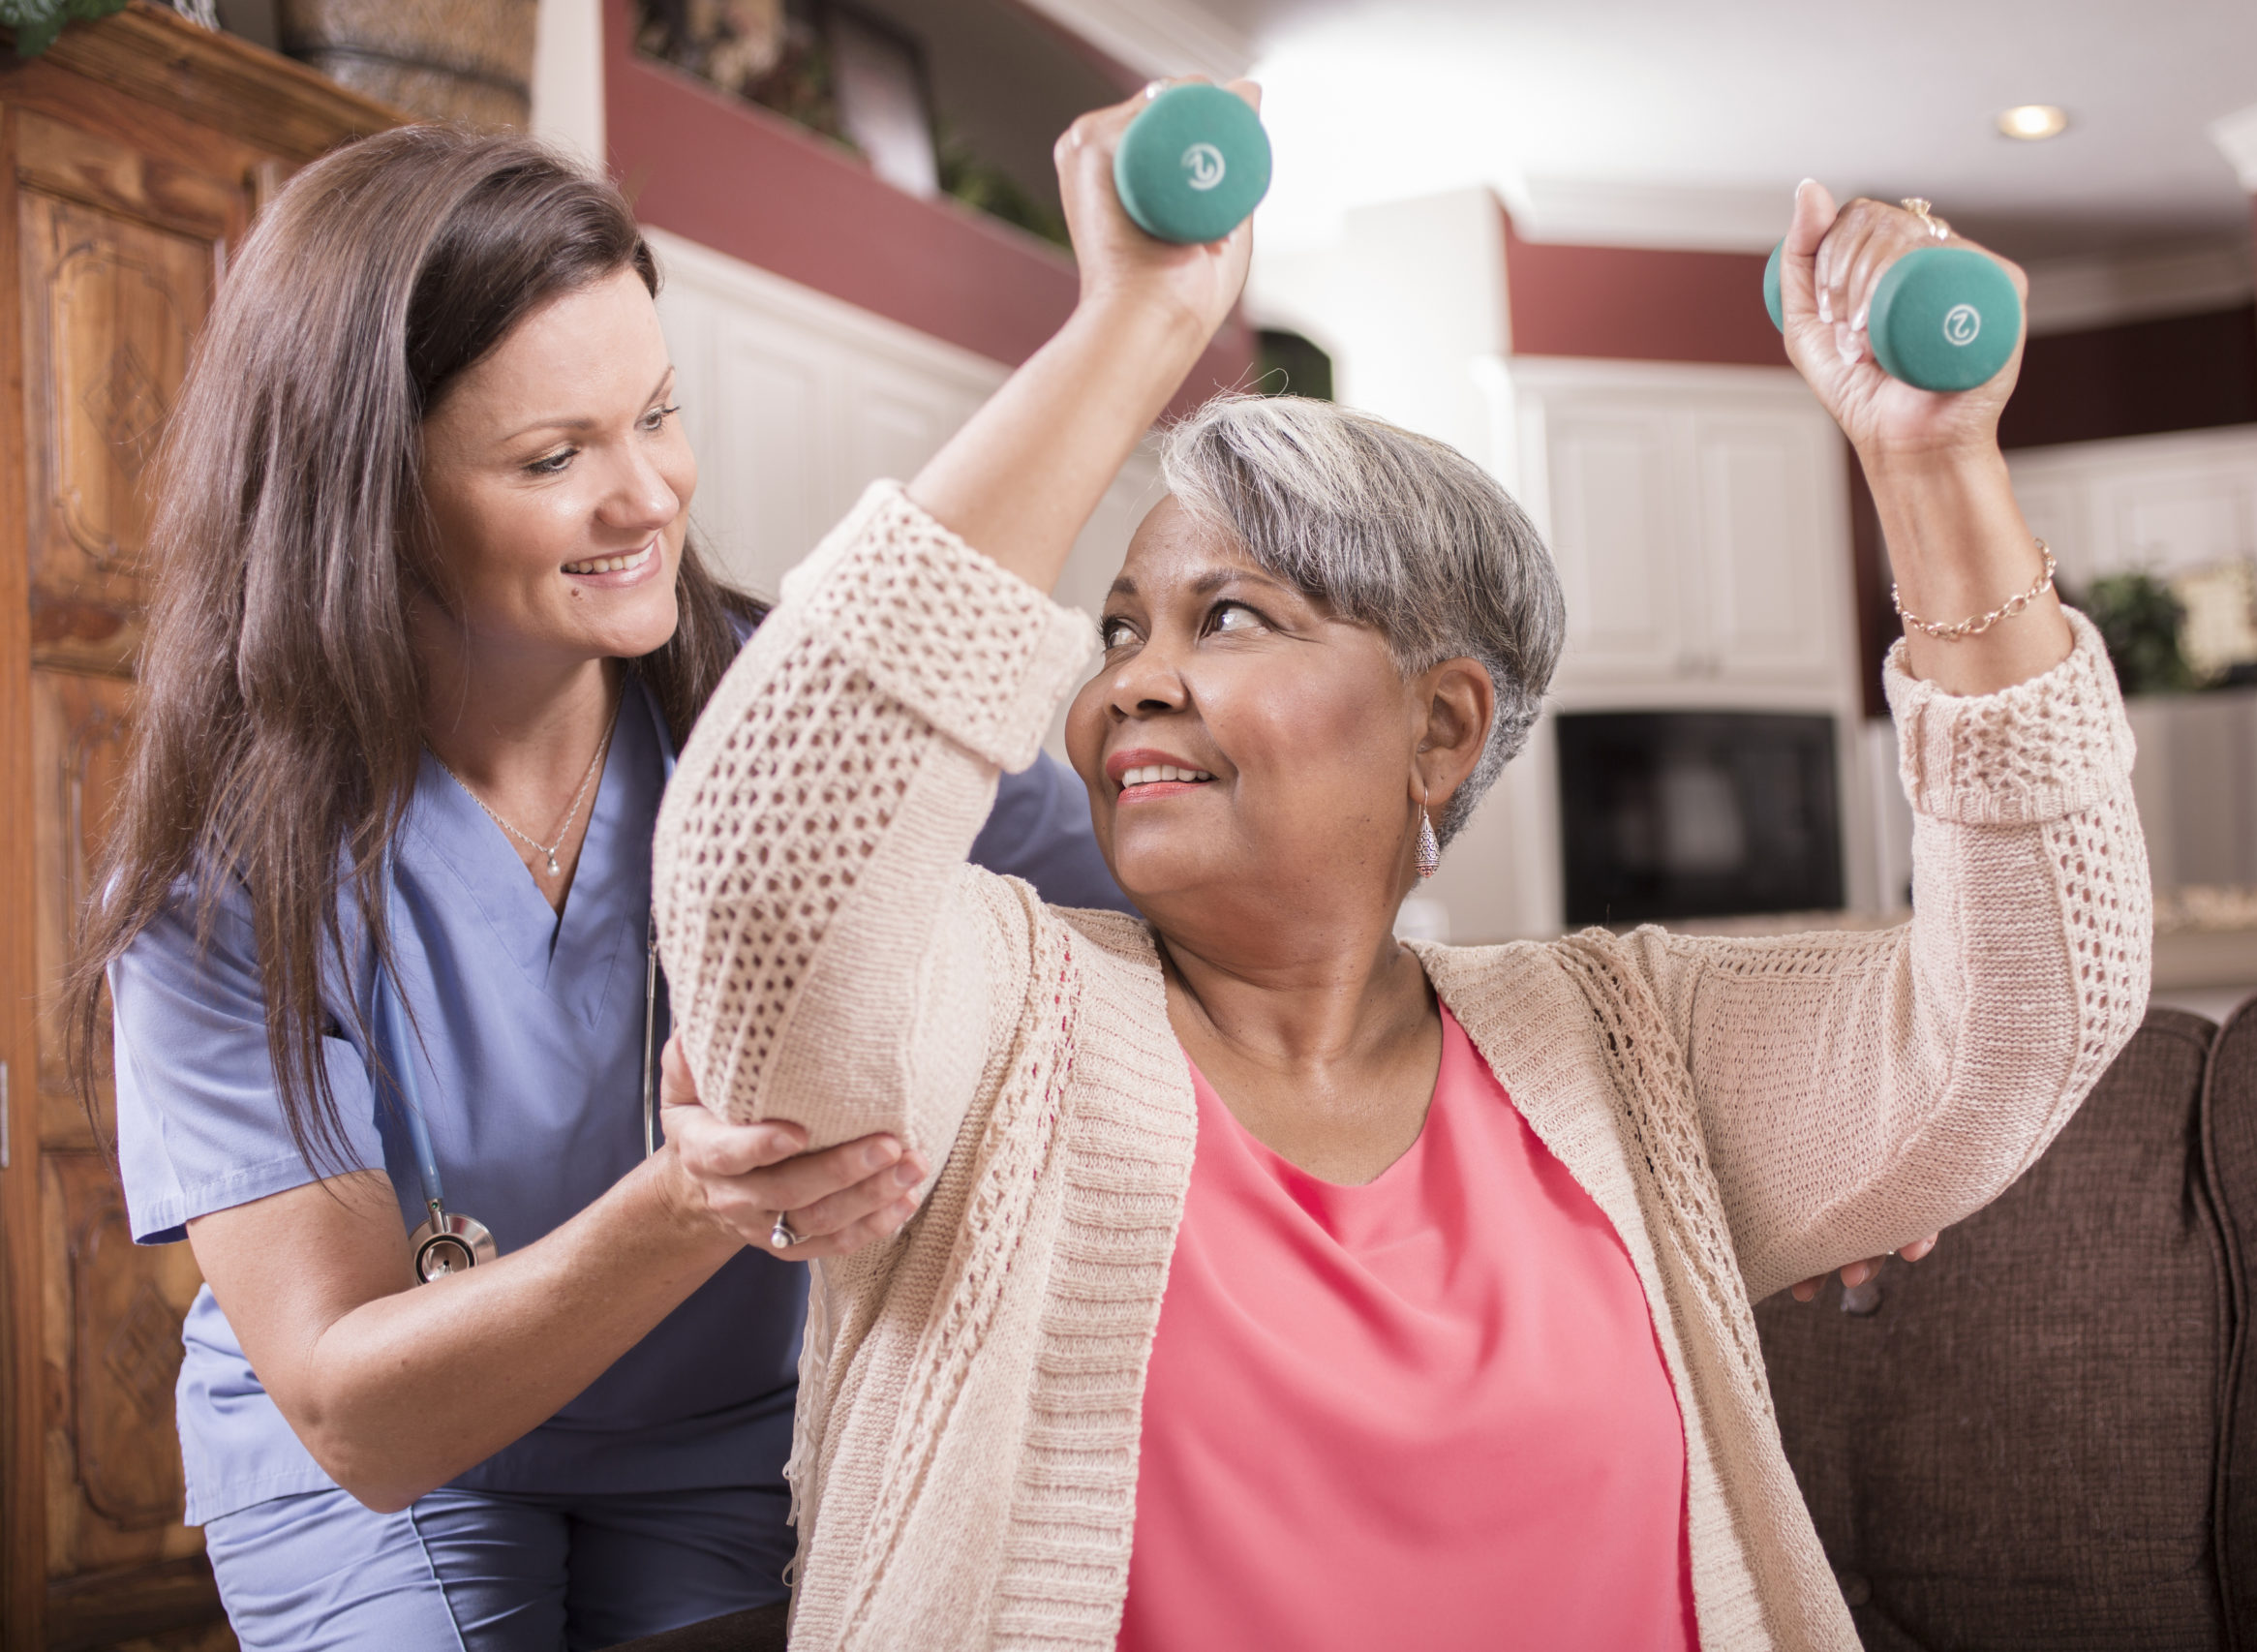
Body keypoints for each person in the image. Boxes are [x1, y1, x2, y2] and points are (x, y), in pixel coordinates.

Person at [652, 79, 2151, 1652]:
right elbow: (770, 872)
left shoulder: (1627, 1049)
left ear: (1441, 728)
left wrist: (1932, 465)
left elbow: (2028, 1020)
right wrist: (1133, 331)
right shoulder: (996, 1020)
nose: (1125, 687)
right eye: (1117, 632)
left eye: (1227, 617)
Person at [67, 127, 1130, 1652]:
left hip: (722, 1435)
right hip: (381, 1469)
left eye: (658, 415)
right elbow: (357, 1413)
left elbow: (1138, 898)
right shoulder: (218, 873)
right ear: (367, 490)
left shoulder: (784, 711)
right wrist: (698, 1202)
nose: (646, 497)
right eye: (554, 457)